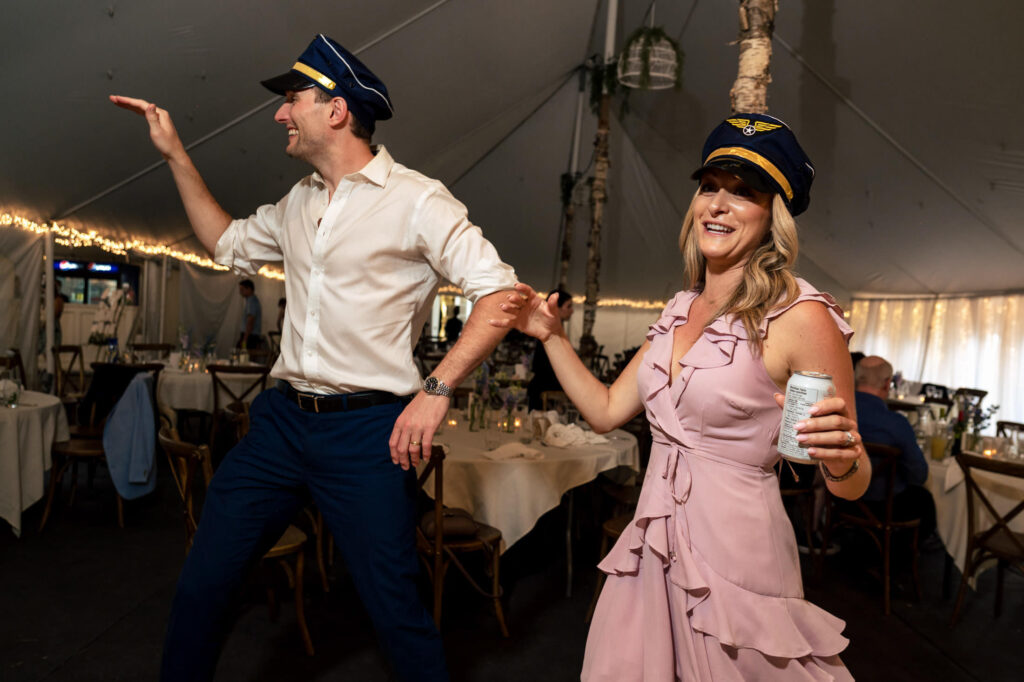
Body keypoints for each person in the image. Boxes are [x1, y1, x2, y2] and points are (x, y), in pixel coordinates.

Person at [111, 33, 520, 682]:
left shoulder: (417, 198)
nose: (279, 114)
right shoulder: (299, 201)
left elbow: (500, 295)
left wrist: (435, 390)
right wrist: (175, 154)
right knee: (203, 585)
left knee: (395, 612)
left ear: (335, 111)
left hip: (366, 434)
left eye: (291, 99)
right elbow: (226, 243)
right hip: (279, 424)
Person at [496, 114, 869, 680]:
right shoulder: (677, 309)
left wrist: (842, 457)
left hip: (737, 560)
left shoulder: (801, 316)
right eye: (710, 186)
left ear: (774, 217)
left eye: (743, 192)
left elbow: (852, 480)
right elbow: (603, 413)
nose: (718, 204)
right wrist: (551, 336)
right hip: (652, 541)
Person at [853, 355, 936, 539]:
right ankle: (901, 555)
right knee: (925, 500)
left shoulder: (840, 412)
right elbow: (918, 475)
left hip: (840, 499)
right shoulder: (896, 424)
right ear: (886, 384)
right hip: (884, 507)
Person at [525, 288, 573, 410]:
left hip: (543, 384)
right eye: (568, 306)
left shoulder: (554, 328)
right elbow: (544, 365)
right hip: (545, 386)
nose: (572, 311)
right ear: (557, 308)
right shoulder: (551, 330)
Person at [236, 279, 263, 349]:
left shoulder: (251, 301)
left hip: (250, 336)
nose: (240, 292)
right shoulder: (251, 300)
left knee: (243, 356)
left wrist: (245, 339)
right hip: (250, 335)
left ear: (249, 289)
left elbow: (250, 320)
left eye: (242, 290)